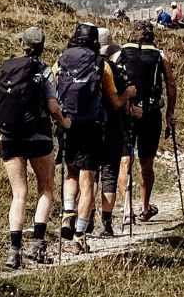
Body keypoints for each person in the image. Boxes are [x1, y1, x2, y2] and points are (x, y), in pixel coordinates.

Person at [0, 26, 71, 270]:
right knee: (46, 189)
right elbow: (53, 106)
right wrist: (64, 123)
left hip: (9, 136)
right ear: (41, 47)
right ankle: (37, 245)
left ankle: (14, 251)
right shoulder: (43, 70)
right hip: (38, 136)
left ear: (21, 44)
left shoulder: (5, 67)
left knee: (19, 194)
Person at [55, 23, 120, 252]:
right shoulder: (101, 64)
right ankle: (80, 237)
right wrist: (127, 96)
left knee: (71, 173)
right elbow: (113, 100)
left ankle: (67, 214)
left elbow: (53, 90)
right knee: (88, 181)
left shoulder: (61, 59)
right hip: (92, 127)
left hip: (67, 125)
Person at [116, 22, 177, 222]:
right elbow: (170, 84)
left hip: (126, 113)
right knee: (146, 162)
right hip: (150, 114)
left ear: (132, 35)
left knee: (125, 160)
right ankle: (145, 207)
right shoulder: (160, 55)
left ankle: (126, 210)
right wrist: (170, 113)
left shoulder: (120, 54)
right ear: (151, 35)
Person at [95, 32, 137, 237]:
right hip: (111, 127)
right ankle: (106, 223)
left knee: (87, 175)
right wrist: (128, 94)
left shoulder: (70, 63)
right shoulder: (111, 69)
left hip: (85, 127)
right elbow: (120, 105)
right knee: (108, 174)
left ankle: (81, 221)